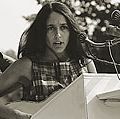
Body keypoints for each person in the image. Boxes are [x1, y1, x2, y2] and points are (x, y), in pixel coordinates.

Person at [0, 1, 97, 119]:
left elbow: (97, 105)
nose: (58, 35)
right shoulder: (27, 65)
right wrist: (14, 115)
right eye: (51, 28)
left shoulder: (85, 62)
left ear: (71, 31)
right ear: (41, 32)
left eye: (63, 27)